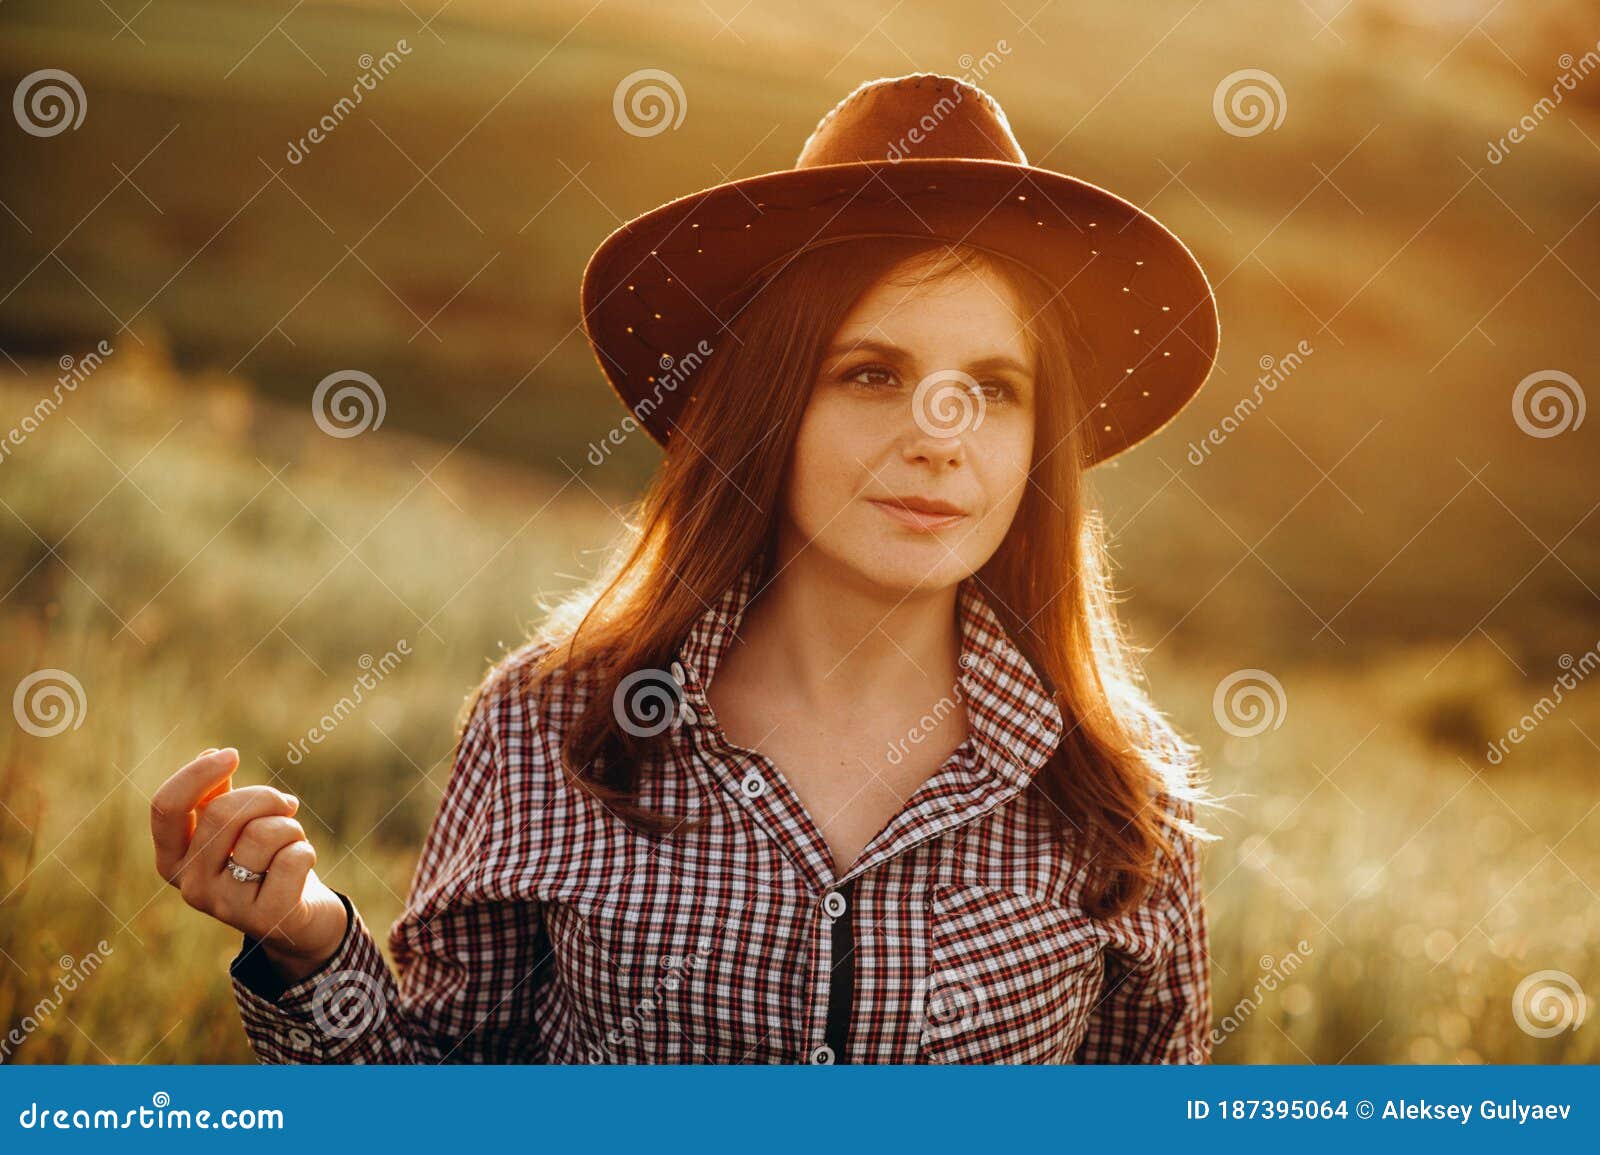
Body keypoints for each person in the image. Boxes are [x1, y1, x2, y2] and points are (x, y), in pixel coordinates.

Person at [151, 72, 1222, 1064]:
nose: (940, 435)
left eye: (991, 388)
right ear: (767, 410)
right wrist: (305, 943)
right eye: (870, 373)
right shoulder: (552, 724)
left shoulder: (1122, 796)